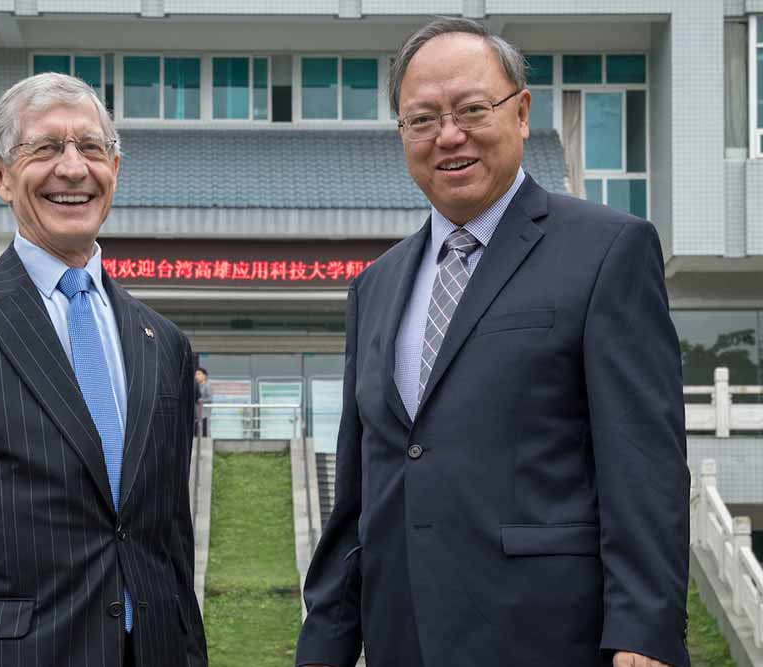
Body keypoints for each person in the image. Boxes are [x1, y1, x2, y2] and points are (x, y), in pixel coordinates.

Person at [295, 17, 689, 667]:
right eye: (422, 119)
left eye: (472, 109)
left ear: (521, 112)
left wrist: (644, 633)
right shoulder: (376, 286)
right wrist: (325, 646)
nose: (449, 135)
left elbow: (642, 464)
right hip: (405, 638)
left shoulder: (606, 251)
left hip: (547, 637)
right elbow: (361, 495)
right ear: (402, 135)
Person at [0, 72, 208, 667]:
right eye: (46, 148)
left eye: (92, 149)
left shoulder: (164, 343)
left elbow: (170, 542)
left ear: (115, 170)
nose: (73, 169)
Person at [194, 367, 212, 436]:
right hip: (197, 413)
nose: (196, 376)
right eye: (196, 375)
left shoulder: (207, 385)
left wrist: (200, 400)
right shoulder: (196, 385)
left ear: (204, 375)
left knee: (204, 432)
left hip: (204, 414)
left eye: (199, 374)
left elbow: (210, 398)